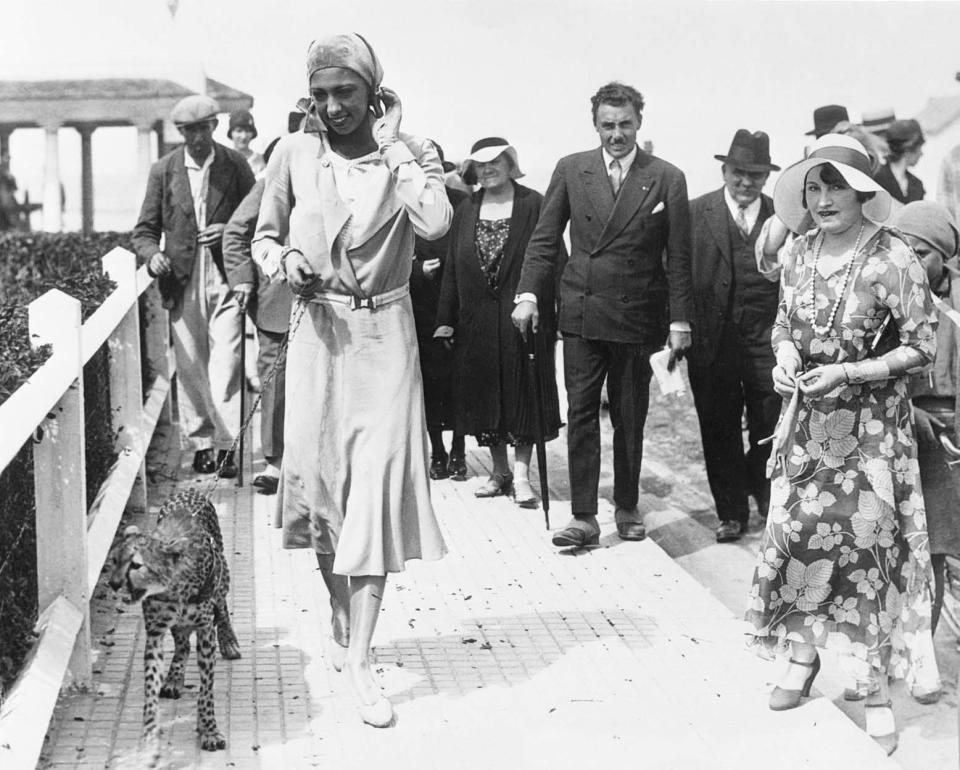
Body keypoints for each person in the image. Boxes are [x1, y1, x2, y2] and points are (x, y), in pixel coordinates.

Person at [251, 33, 451, 728]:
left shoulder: (411, 155)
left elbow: (435, 223)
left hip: (386, 340)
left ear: (375, 94)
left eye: (348, 93)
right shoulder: (294, 154)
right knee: (323, 489)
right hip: (318, 336)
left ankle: (362, 659)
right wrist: (283, 263)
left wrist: (395, 149)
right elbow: (260, 234)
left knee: (376, 486)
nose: (334, 107)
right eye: (323, 94)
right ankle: (341, 613)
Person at [745, 134, 938, 755]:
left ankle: (875, 686)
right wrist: (783, 356)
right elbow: (782, 322)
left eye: (835, 187)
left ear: (863, 193)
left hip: (872, 434)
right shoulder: (799, 252)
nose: (823, 199)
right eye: (813, 188)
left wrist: (852, 372)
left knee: (863, 550)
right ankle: (802, 662)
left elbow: (923, 346)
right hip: (805, 429)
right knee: (798, 537)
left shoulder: (894, 258)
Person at [512, 81, 694, 547]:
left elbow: (679, 257)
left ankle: (629, 504)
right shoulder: (573, 170)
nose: (617, 134)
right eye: (608, 125)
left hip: (638, 317)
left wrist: (680, 322)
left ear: (640, 123)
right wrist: (528, 294)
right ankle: (584, 516)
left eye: (625, 124)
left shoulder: (667, 177)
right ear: (595, 125)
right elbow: (545, 239)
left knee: (631, 416)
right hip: (582, 312)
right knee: (582, 412)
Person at [435, 138, 562, 507]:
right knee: (486, 398)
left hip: (523, 319)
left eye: (495, 163)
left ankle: (522, 477)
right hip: (477, 323)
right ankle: (500, 471)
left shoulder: (532, 204)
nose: (488, 170)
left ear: (510, 164)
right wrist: (445, 319)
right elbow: (453, 271)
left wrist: (555, 312)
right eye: (481, 165)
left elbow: (553, 258)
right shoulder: (466, 209)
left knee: (523, 396)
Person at [133, 95, 255, 478]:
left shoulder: (235, 165)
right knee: (189, 364)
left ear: (215, 127)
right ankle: (201, 444)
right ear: (180, 132)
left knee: (227, 363)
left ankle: (225, 447)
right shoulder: (164, 171)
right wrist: (152, 255)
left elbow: (258, 216)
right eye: (190, 130)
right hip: (181, 280)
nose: (198, 136)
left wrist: (229, 228)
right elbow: (144, 230)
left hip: (226, 276)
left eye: (204, 127)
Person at [687, 129, 781, 543]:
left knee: (771, 422)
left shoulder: (785, 217)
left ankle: (763, 493)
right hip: (712, 341)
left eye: (756, 175)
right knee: (718, 426)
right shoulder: (694, 213)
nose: (747, 183)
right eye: (739, 173)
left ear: (766, 177)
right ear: (724, 170)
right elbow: (672, 273)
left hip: (768, 341)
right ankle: (730, 512)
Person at [892, 200, 960, 704]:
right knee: (900, 558)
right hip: (900, 441)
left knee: (937, 552)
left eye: (921, 253)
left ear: (943, 260)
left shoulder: (953, 317)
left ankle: (923, 656)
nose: (911, 263)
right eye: (903, 251)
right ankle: (897, 658)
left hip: (948, 447)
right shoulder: (887, 309)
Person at [222, 133, 293, 495]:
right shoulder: (267, 184)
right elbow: (234, 234)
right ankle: (275, 462)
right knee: (276, 381)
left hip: (331, 298)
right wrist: (244, 280)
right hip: (278, 299)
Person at [410, 141, 468, 481]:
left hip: (459, 307)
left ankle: (460, 450)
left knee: (460, 383)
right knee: (430, 385)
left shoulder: (461, 204)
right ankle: (438, 451)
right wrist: (418, 271)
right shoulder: (404, 206)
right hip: (422, 307)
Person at [875, 118, 926, 205]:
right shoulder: (876, 178)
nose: (921, 153)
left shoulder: (917, 185)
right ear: (907, 150)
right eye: (919, 148)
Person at [228, 109, 266, 177]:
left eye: (248, 131)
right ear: (231, 133)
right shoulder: (224, 158)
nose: (244, 136)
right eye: (239, 131)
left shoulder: (261, 160)